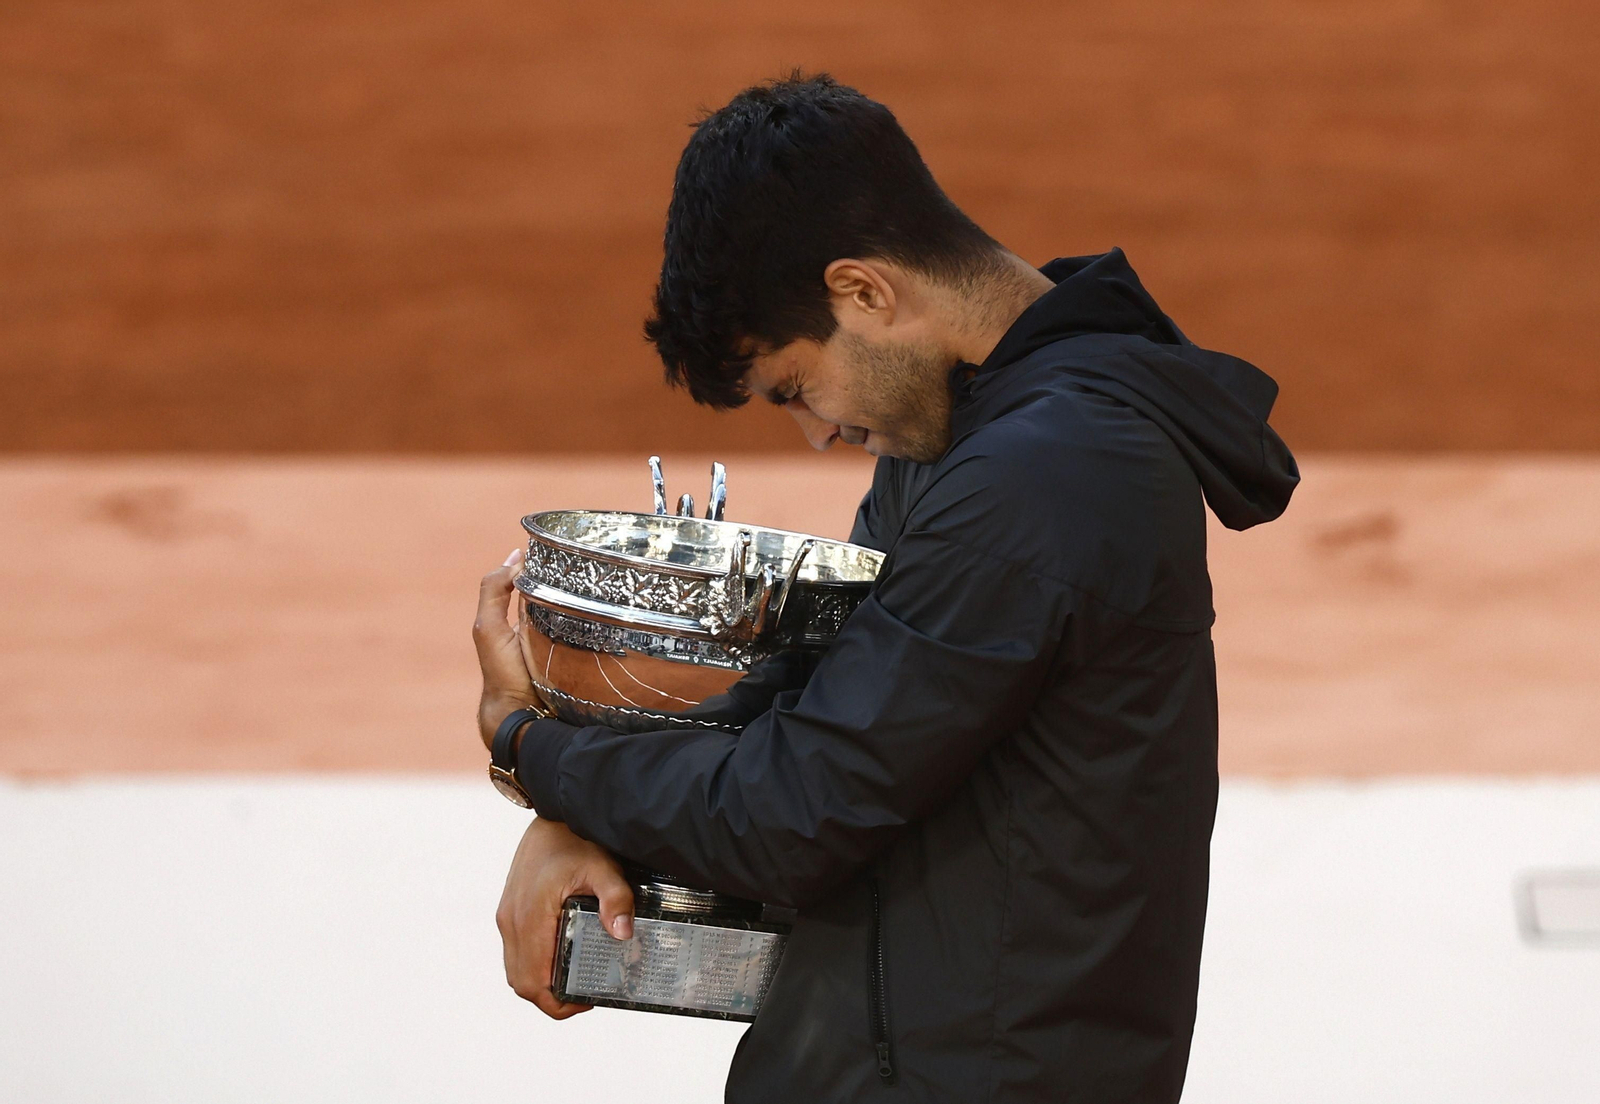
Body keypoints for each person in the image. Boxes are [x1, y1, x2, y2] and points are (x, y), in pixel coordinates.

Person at [473, 73, 1298, 1102]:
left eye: (796, 388)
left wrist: (529, 746)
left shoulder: (1045, 476)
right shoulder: (970, 435)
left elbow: (793, 812)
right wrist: (570, 814)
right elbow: (807, 713)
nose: (817, 433)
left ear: (864, 291)